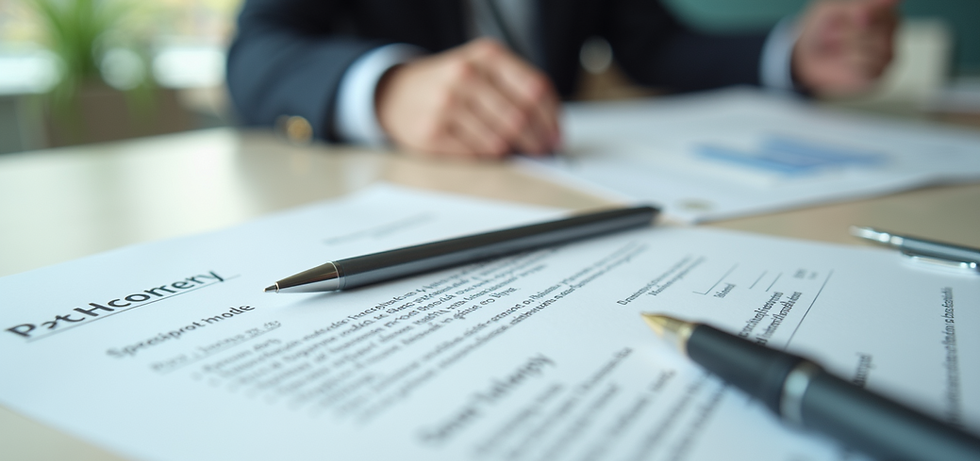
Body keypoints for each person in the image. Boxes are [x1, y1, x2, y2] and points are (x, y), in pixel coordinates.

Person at [227, 0, 898, 158]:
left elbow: (657, 47)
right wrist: (387, 89)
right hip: (387, 188)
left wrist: (793, 55)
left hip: (563, 182)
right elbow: (255, 51)